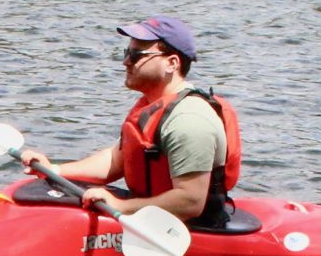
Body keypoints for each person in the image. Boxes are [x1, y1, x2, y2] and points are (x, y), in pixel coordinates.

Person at [15, 14, 244, 232]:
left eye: (137, 55)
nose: (126, 61)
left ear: (172, 63)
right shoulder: (152, 105)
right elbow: (116, 161)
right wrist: (53, 170)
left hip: (190, 227)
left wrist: (121, 206)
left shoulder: (189, 121)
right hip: (153, 213)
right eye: (127, 52)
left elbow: (189, 201)